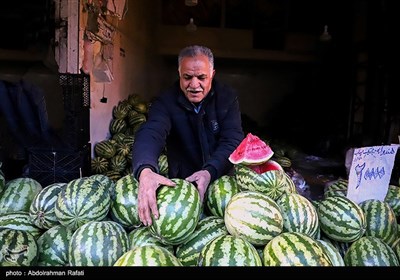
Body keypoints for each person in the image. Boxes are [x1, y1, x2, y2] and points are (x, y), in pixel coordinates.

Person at [132, 45, 244, 226]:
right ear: (179, 73)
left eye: (201, 78)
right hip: (184, 184)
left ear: (212, 74)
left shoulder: (227, 97)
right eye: (187, 77)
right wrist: (145, 170)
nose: (194, 85)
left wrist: (210, 172)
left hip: (220, 182)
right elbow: (151, 132)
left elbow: (232, 140)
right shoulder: (166, 101)